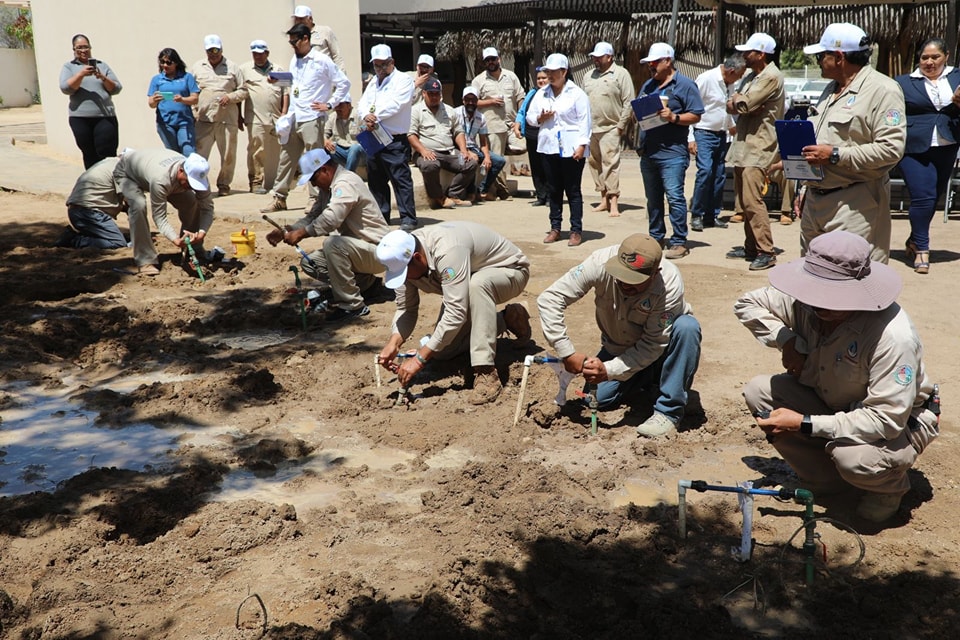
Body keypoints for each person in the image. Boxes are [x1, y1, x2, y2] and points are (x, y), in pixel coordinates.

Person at [735, 230, 939, 523]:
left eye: (832, 296)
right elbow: (746, 303)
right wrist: (787, 340)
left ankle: (887, 488)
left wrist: (804, 423)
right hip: (832, 400)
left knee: (854, 459)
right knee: (760, 391)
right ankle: (824, 480)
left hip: (896, 422)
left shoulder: (893, 336)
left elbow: (885, 420)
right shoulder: (804, 301)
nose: (819, 304)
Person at [538, 233, 701, 437]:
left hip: (661, 347)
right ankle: (650, 380)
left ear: (654, 273)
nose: (625, 284)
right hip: (618, 347)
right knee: (595, 399)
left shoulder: (669, 283)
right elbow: (550, 298)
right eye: (621, 276)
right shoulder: (599, 262)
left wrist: (608, 370)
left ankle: (669, 410)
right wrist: (566, 351)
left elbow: (653, 343)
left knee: (687, 327)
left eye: (634, 281)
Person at [375, 222, 531, 405]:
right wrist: (394, 342)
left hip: (510, 271)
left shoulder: (447, 251)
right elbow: (406, 309)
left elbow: (456, 312)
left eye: (405, 274)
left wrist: (419, 358)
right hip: (467, 282)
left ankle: (486, 371)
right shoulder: (403, 260)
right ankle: (508, 319)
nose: (405, 279)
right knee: (441, 351)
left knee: (477, 285)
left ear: (417, 258)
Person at [796, 23, 906, 264]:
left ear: (838, 57)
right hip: (816, 200)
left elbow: (891, 149)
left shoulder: (883, 90)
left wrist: (835, 155)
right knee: (813, 277)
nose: (818, 61)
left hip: (855, 203)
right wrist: (806, 187)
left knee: (852, 281)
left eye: (820, 56)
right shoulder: (831, 89)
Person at [267, 149, 389, 321]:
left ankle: (353, 306)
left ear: (325, 169)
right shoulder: (328, 189)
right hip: (358, 251)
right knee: (311, 263)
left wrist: (301, 234)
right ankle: (367, 286)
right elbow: (313, 216)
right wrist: (288, 230)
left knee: (333, 244)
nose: (314, 185)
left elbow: (331, 219)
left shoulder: (345, 183)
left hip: (379, 251)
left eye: (313, 179)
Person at [261, 24, 350, 213]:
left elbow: (343, 83)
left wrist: (330, 104)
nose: (292, 45)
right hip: (295, 116)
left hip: (312, 117)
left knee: (313, 159)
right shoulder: (295, 60)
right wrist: (279, 79)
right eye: (290, 42)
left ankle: (315, 198)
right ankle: (279, 197)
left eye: (295, 41)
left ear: (306, 39)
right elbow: (296, 82)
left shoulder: (322, 60)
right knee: (287, 157)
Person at [894, 38, 960, 274]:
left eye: (935, 57)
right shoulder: (902, 82)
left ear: (947, 56)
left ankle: (914, 239)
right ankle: (922, 248)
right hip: (913, 146)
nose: (929, 62)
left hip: (948, 143)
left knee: (933, 197)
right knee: (922, 196)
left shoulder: (957, 77)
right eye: (925, 57)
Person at [636, 42, 704, 259]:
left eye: (654, 62)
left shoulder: (685, 85)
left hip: (673, 153)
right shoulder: (648, 85)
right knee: (653, 199)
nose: (651, 67)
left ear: (668, 61)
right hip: (650, 151)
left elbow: (696, 115)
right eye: (649, 63)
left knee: (674, 197)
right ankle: (655, 237)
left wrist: (673, 117)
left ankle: (679, 241)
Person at [724, 33, 785, 271]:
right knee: (744, 199)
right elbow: (734, 103)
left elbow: (744, 104)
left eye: (748, 52)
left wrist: (742, 102)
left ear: (761, 54)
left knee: (752, 200)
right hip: (744, 144)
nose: (744, 56)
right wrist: (741, 102)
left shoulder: (770, 76)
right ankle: (751, 246)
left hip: (760, 145)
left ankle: (765, 251)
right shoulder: (752, 76)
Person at [525, 53, 591, 247]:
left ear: (564, 72)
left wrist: (581, 146)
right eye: (548, 72)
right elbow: (529, 117)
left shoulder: (577, 93)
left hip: (572, 149)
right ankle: (555, 228)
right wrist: (540, 118)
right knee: (553, 189)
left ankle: (575, 230)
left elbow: (585, 122)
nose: (550, 75)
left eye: (554, 72)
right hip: (548, 147)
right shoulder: (541, 93)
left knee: (573, 190)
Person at [114, 149, 213, 276]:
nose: (192, 187)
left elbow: (207, 208)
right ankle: (145, 260)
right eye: (190, 183)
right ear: (181, 171)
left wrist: (201, 233)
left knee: (191, 203)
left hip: (157, 174)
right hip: (127, 173)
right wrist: (175, 240)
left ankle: (193, 248)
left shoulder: (199, 174)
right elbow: (159, 217)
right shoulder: (161, 179)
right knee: (138, 206)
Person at [356, 44, 418, 231]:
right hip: (374, 135)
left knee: (400, 179)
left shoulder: (404, 80)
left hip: (394, 138)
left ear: (392, 62)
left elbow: (397, 104)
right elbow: (362, 103)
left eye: (384, 64)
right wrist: (366, 115)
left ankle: (408, 218)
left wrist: (376, 115)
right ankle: (382, 216)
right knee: (376, 179)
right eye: (377, 65)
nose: (381, 69)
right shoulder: (374, 82)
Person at [689, 55, 745, 231]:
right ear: (731, 71)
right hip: (703, 132)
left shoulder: (731, 84)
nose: (740, 78)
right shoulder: (706, 79)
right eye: (740, 74)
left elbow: (724, 109)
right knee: (705, 171)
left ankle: (711, 215)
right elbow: (691, 106)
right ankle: (696, 214)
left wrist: (731, 126)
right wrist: (690, 137)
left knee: (719, 175)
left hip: (722, 134)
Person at [582, 41, 635, 218]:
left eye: (599, 57)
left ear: (609, 57)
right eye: (594, 57)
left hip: (611, 127)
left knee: (610, 164)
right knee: (594, 163)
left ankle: (614, 202)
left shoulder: (621, 74)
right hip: (591, 128)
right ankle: (603, 198)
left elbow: (628, 101)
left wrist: (621, 125)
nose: (595, 60)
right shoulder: (588, 76)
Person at [191, 35, 248, 197]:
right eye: (210, 51)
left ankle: (224, 184)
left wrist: (230, 97)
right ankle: (199, 184)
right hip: (204, 118)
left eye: (216, 50)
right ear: (206, 51)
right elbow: (191, 90)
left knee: (228, 154)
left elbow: (244, 90)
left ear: (222, 49)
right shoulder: (198, 67)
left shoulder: (233, 67)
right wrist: (194, 112)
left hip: (227, 118)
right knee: (200, 154)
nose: (214, 54)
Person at [408, 78, 477, 209]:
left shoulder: (449, 110)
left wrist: (463, 150)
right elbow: (411, 135)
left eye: (437, 94)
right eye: (431, 94)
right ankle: (440, 197)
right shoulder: (415, 111)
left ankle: (454, 195)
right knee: (430, 166)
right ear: (424, 94)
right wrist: (423, 151)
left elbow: (458, 131)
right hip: (428, 153)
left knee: (471, 163)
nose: (434, 97)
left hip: (451, 152)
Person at [59, 34, 122, 169]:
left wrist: (102, 77)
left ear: (90, 47)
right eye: (79, 48)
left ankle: (110, 184)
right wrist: (81, 74)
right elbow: (66, 88)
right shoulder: (69, 67)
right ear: (74, 49)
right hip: (80, 118)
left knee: (107, 154)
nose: (83, 50)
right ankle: (93, 184)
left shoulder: (101, 65)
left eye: (86, 47)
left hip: (105, 117)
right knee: (89, 154)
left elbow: (116, 88)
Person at [471, 47, 526, 200]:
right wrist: (490, 101)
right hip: (493, 126)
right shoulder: (479, 80)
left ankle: (491, 185)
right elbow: (471, 102)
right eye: (487, 60)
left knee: (523, 145)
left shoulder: (511, 76)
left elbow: (520, 96)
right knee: (499, 160)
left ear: (499, 59)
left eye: (493, 59)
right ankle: (501, 191)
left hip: (511, 125)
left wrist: (519, 119)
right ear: (484, 62)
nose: (491, 62)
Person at [240, 39, 286, 195]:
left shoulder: (279, 69)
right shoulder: (244, 69)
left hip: (276, 117)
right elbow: (240, 93)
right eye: (254, 54)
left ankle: (284, 183)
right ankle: (256, 182)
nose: (257, 57)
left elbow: (286, 92)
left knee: (284, 150)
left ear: (267, 53)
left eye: (260, 54)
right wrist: (240, 116)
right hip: (255, 118)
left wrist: (285, 113)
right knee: (257, 150)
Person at [55, 157, 128, 252]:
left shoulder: (107, 163)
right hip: (90, 213)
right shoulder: (122, 169)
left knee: (119, 237)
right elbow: (131, 201)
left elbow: (104, 199)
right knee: (118, 243)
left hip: (77, 212)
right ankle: (74, 240)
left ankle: (82, 236)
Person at [147, 48, 200, 156]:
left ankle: (190, 172)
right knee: (173, 154)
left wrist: (182, 99)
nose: (165, 65)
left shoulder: (187, 77)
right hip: (165, 123)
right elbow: (151, 104)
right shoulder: (157, 79)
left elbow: (195, 99)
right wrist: (155, 100)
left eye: (168, 62)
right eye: (162, 62)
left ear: (176, 63)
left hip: (184, 122)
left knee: (188, 152)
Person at [457, 86, 506, 201]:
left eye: (473, 100)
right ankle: (470, 193)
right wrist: (466, 151)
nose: (470, 103)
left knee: (499, 161)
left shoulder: (481, 117)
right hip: (458, 148)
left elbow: (483, 142)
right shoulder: (455, 114)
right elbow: (451, 137)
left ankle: (482, 190)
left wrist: (487, 157)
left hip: (474, 147)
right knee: (471, 160)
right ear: (463, 100)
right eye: (467, 100)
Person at [513, 68, 550, 206]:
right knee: (536, 166)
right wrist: (517, 125)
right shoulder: (532, 93)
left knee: (548, 166)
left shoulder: (552, 94)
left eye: (544, 78)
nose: (541, 80)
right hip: (531, 134)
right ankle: (541, 196)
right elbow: (522, 111)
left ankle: (551, 197)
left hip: (545, 134)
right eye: (539, 78)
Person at [292, 4, 344, 69]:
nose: (298, 22)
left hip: (325, 74)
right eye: (296, 19)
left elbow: (336, 56)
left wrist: (341, 75)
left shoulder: (325, 31)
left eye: (301, 19)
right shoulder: (297, 36)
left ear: (310, 19)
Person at [324, 98, 365, 172]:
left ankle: (348, 175)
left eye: (340, 105)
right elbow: (324, 133)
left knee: (355, 148)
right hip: (342, 151)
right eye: (335, 105)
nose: (337, 108)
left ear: (349, 105)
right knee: (324, 148)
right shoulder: (332, 117)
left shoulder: (360, 116)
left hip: (360, 154)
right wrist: (325, 140)